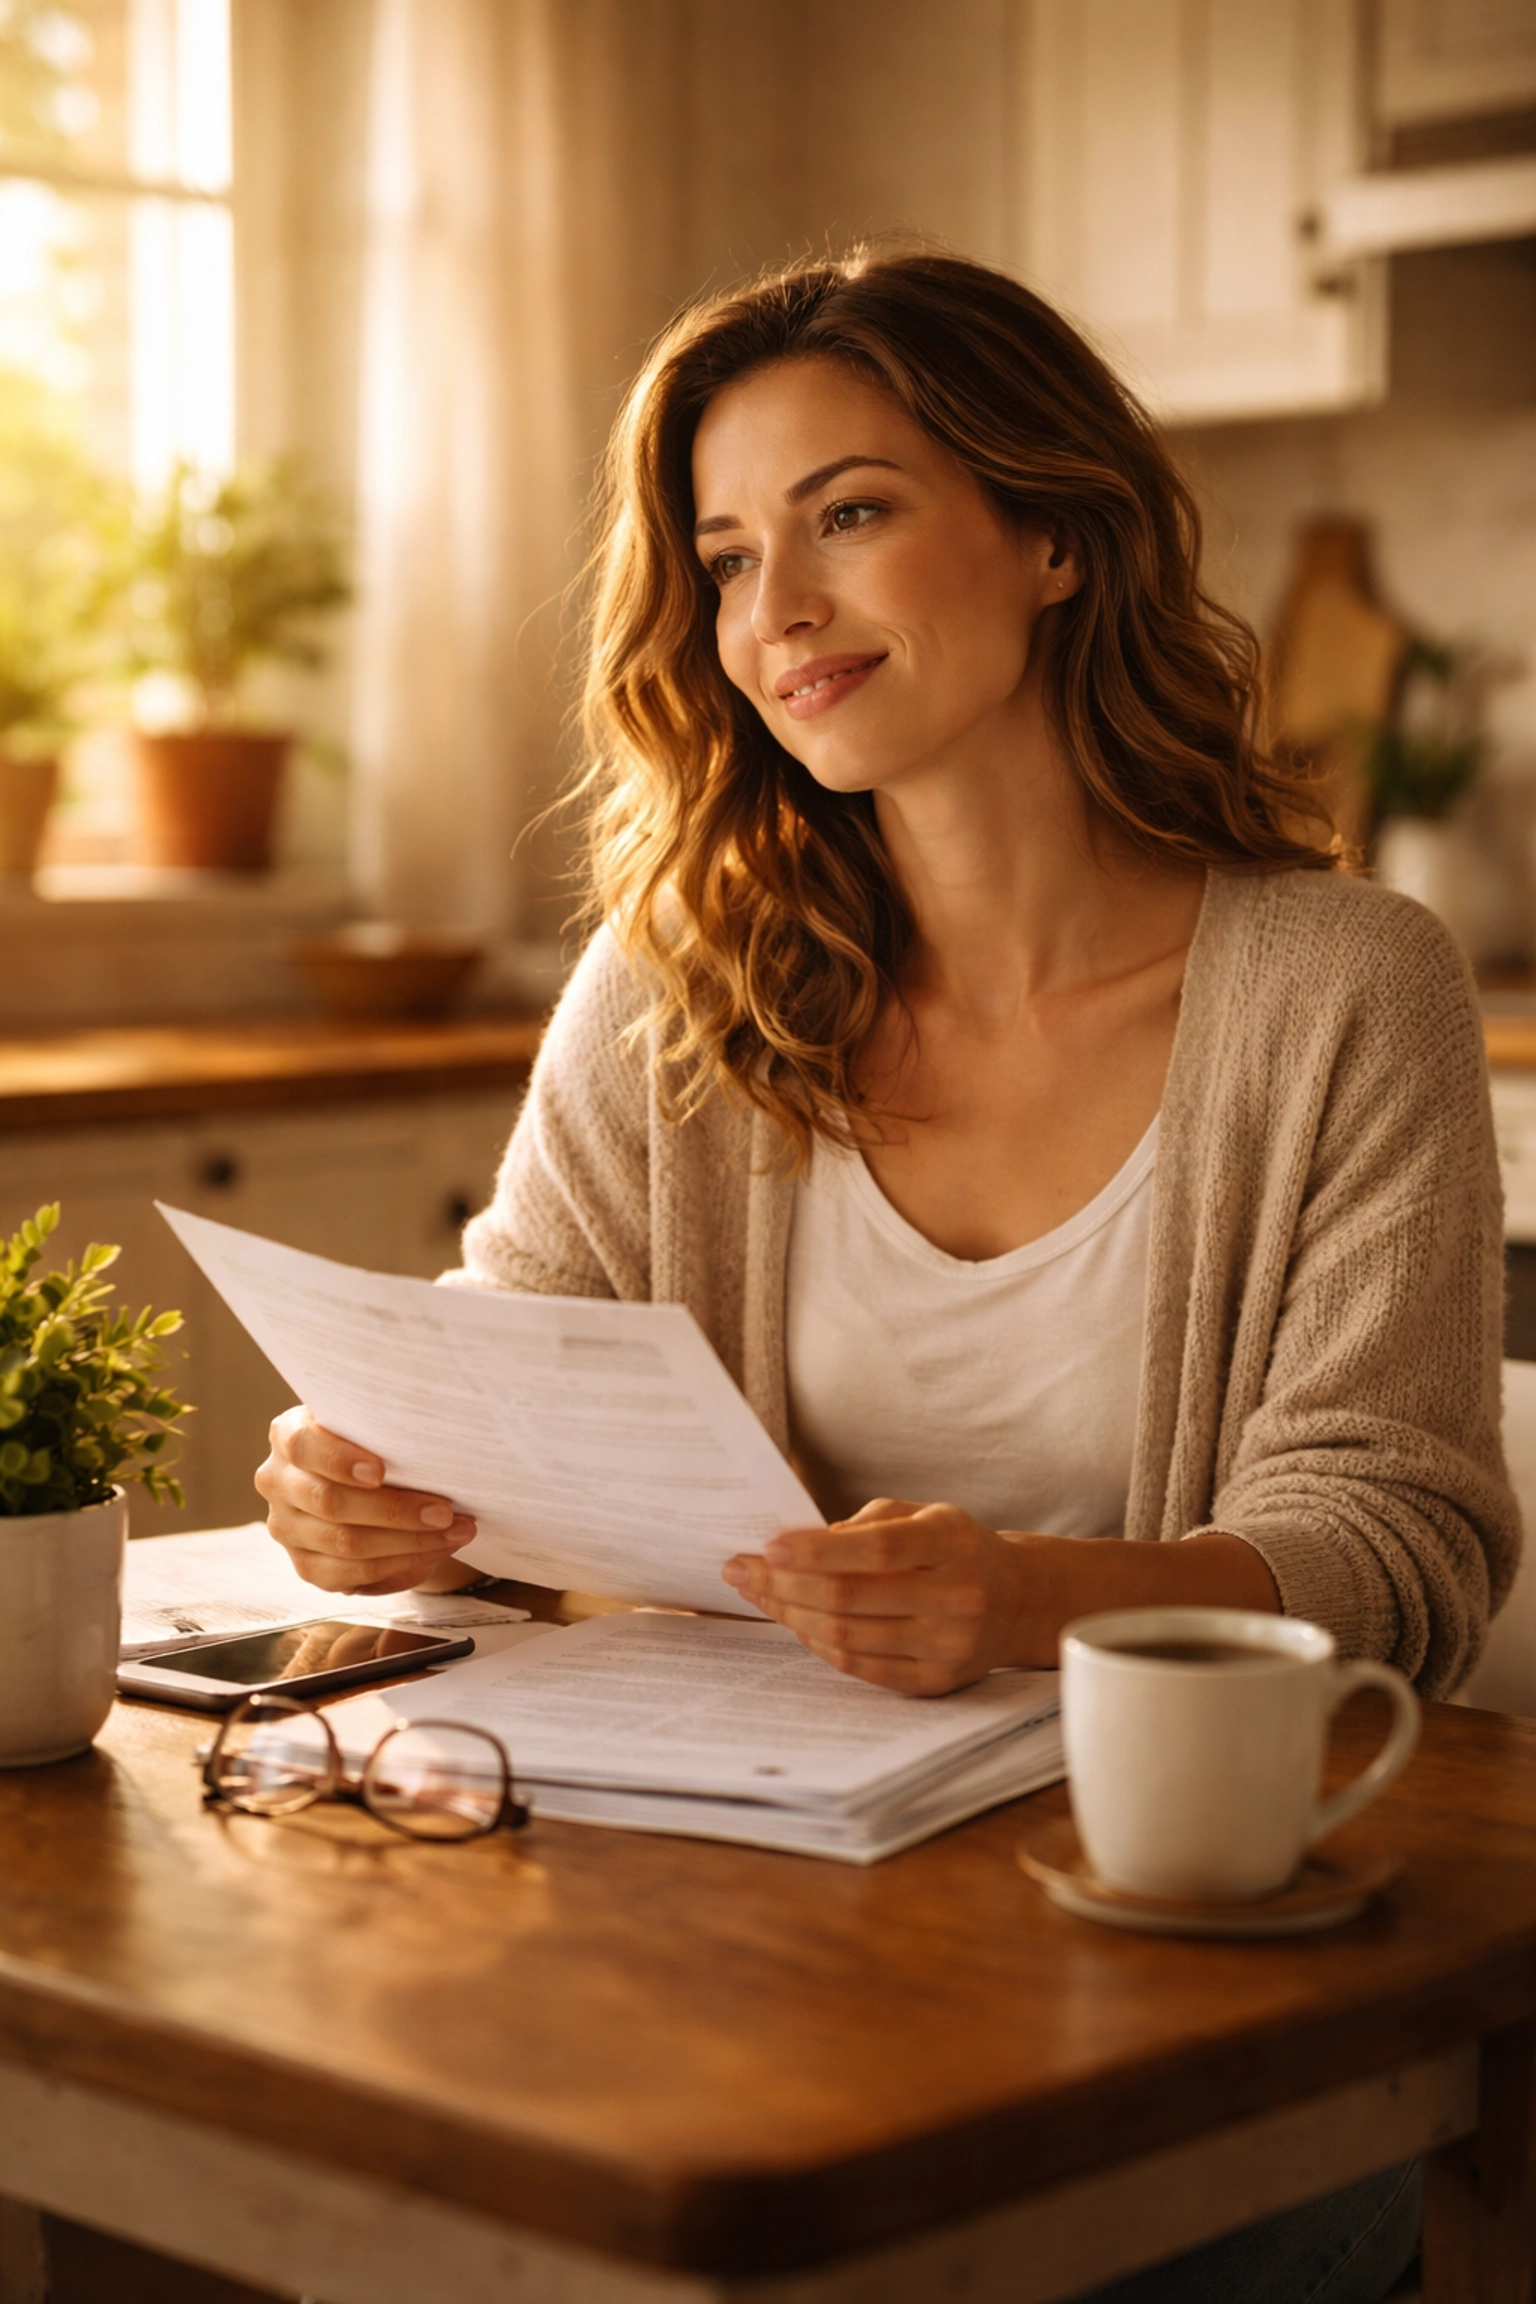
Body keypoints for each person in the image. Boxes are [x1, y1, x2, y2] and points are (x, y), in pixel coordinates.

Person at [257, 249, 1515, 2301]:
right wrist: (375, 1473)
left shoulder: (1345, 987)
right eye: (729, 556)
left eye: (848, 513)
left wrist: (1027, 1599)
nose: (777, 616)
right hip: (729, 1944)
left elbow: (1397, 1542)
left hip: (1168, 1986)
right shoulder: (679, 985)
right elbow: (519, 1340)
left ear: (1050, 534)